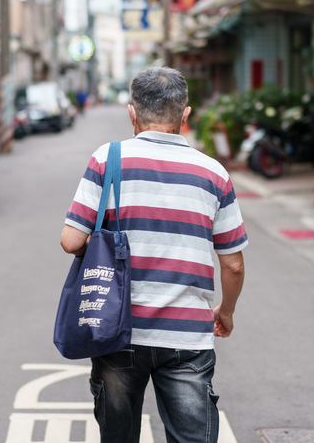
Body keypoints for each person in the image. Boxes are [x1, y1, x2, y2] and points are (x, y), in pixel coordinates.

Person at [60, 67, 247, 443]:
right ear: (186, 115)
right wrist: (224, 312)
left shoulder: (106, 160)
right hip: (187, 338)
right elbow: (232, 262)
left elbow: (70, 240)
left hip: (118, 330)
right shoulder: (214, 174)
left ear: (132, 113)